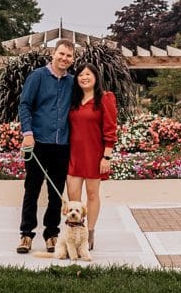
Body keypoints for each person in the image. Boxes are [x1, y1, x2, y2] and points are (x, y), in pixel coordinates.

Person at [16, 39, 75, 254]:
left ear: (72, 59)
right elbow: (25, 105)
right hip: (38, 142)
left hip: (62, 145)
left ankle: (52, 234)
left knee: (55, 192)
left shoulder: (72, 82)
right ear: (53, 53)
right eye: (61, 54)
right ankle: (26, 235)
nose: (64, 58)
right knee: (31, 190)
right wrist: (28, 134)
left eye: (69, 56)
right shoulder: (38, 76)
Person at [66, 62, 117, 251]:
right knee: (73, 196)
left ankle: (89, 233)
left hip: (95, 154)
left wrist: (107, 157)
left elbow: (110, 128)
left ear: (96, 78)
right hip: (73, 154)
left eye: (88, 74)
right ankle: (75, 233)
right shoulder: (73, 100)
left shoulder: (104, 98)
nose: (84, 78)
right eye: (80, 75)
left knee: (93, 195)